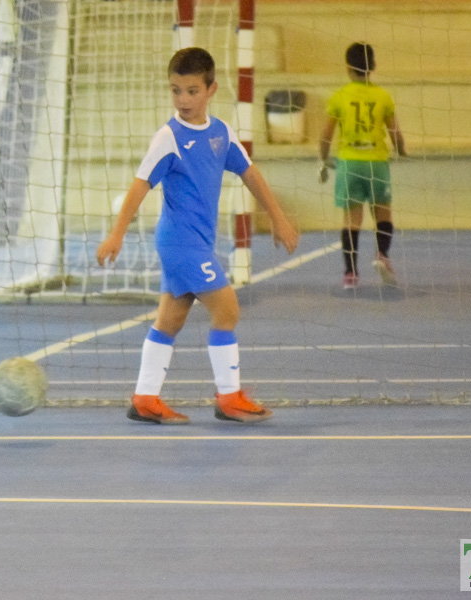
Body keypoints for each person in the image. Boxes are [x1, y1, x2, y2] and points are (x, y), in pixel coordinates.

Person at [96, 47, 299, 425]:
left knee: (170, 322)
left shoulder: (221, 133)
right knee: (227, 310)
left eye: (191, 91)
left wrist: (278, 218)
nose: (183, 100)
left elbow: (250, 173)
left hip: (195, 243)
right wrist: (116, 235)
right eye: (175, 91)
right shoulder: (168, 137)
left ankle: (144, 399)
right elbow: (139, 187)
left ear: (211, 89)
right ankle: (229, 398)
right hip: (180, 243)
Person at [319, 42, 407, 289]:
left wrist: (324, 159)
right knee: (383, 213)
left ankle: (351, 274)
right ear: (373, 67)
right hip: (376, 162)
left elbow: (325, 136)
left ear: (348, 67)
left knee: (351, 220)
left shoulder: (340, 97)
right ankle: (381, 255)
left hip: (349, 162)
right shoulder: (382, 97)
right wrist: (402, 151)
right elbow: (395, 133)